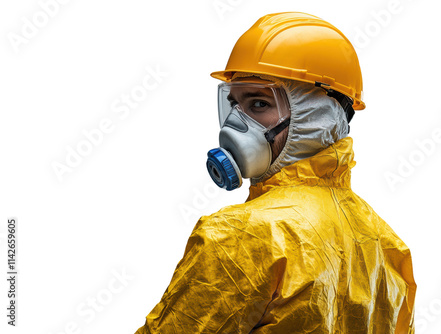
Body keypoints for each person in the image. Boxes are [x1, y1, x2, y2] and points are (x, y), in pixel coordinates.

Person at [135, 12, 416, 334]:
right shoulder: (383, 243)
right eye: (234, 103)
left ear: (315, 116)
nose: (236, 123)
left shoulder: (241, 233)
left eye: (258, 104)